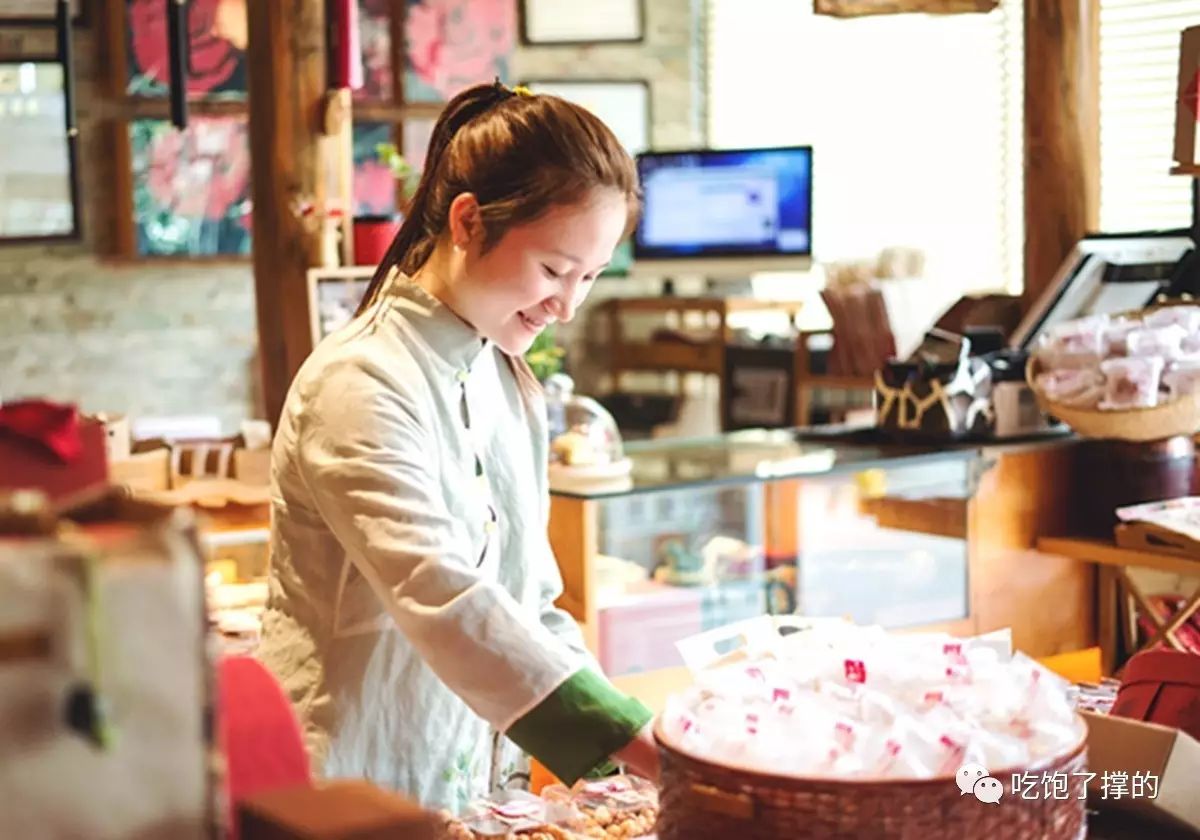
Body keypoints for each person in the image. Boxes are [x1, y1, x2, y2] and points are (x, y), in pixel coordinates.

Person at [256, 80, 659, 813]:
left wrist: (614, 766)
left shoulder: (505, 378)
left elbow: (528, 603)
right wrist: (643, 745)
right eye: (554, 270)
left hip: (465, 773)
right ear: (469, 221)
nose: (568, 306)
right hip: (347, 774)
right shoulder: (360, 381)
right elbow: (439, 591)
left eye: (590, 278)